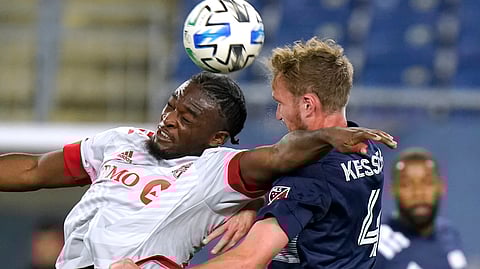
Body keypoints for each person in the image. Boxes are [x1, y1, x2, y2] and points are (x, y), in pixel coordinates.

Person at [0, 71, 395, 269]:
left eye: (187, 117)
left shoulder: (215, 171)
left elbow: (279, 156)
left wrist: (326, 137)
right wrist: (251, 206)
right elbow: (34, 170)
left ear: (215, 137)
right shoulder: (122, 140)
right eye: (171, 105)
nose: (169, 119)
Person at [111, 37, 393, 269]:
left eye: (280, 103)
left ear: (308, 105)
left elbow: (248, 259)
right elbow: (325, 199)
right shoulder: (365, 148)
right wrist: (257, 203)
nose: (279, 115)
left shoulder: (311, 172)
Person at [375, 148, 468, 269]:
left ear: (441, 187)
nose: (418, 192)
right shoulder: (377, 243)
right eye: (407, 184)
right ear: (392, 189)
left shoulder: (448, 232)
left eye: (427, 182)